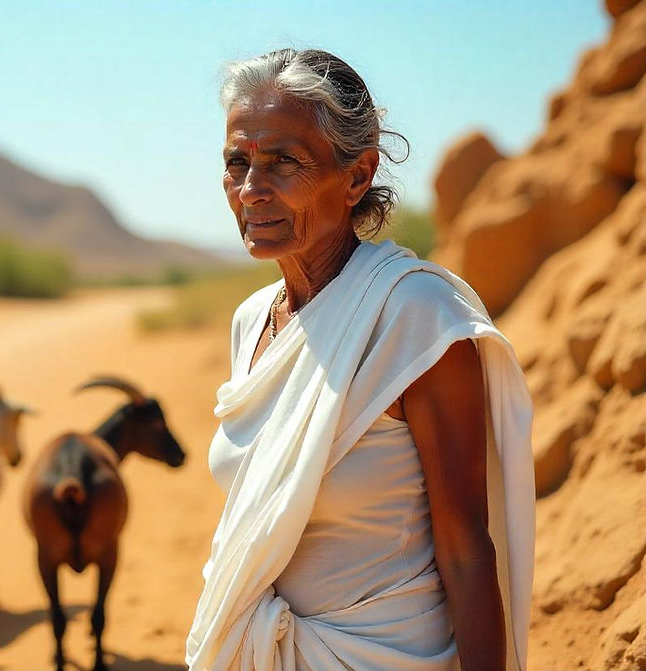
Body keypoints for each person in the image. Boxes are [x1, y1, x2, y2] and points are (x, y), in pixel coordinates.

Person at [185, 49, 535, 671]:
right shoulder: (251, 323)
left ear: (356, 175)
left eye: (283, 162)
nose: (250, 189)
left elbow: (465, 551)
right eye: (236, 162)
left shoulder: (418, 316)